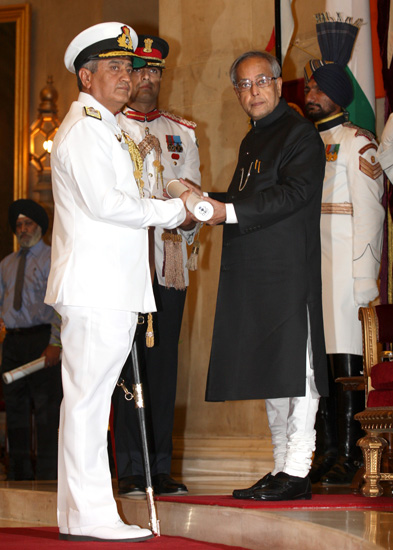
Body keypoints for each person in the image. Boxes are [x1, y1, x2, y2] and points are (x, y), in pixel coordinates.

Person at [44, 22, 193, 543]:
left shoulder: (103, 126)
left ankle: (78, 513)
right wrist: (176, 210)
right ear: (86, 76)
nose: (127, 77)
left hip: (105, 284)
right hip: (97, 284)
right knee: (89, 403)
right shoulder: (86, 130)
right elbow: (108, 205)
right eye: (114, 67)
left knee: (87, 401)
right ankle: (91, 516)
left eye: (129, 67)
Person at [202, 50, 328, 501]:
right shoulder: (253, 139)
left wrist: (225, 210)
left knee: (300, 371)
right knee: (272, 371)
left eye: (261, 82)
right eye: (243, 84)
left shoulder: (300, 135)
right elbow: (244, 195)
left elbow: (292, 194)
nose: (252, 91)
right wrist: (200, 203)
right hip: (256, 275)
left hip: (288, 273)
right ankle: (280, 469)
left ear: (278, 84)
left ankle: (298, 469)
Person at [113, 34, 201, 497]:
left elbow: (196, 196)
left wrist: (189, 219)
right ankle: (130, 466)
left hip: (168, 262)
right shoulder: (109, 128)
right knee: (127, 365)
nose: (148, 79)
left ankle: (160, 466)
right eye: (139, 70)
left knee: (164, 365)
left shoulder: (181, 131)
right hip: (125, 259)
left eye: (155, 72)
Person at [304, 57, 385, 486]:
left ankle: (352, 453)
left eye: (318, 88)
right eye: (309, 89)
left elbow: (370, 213)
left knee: (345, 361)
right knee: (318, 363)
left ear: (338, 93)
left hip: (344, 270)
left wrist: (363, 277)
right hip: (311, 266)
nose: (310, 95)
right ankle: (326, 449)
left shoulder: (358, 143)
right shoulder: (303, 141)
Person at [0, 199, 62, 481]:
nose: (23, 229)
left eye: (29, 223)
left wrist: (56, 343)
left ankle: (49, 474)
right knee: (15, 409)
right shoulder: (6, 264)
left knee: (47, 410)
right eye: (19, 225)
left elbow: (62, 306)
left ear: (40, 226)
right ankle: (19, 472)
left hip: (42, 340)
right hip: (13, 343)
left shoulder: (54, 258)